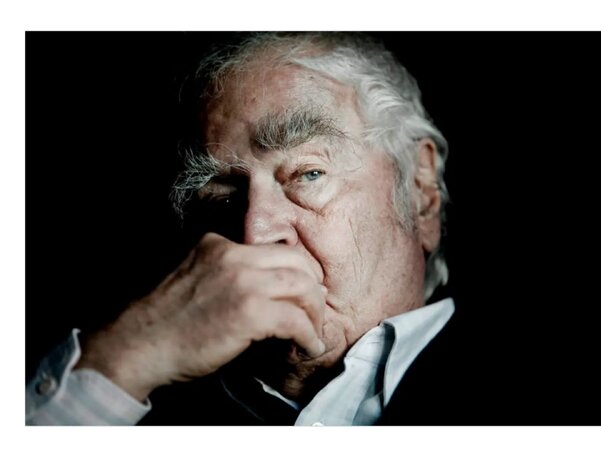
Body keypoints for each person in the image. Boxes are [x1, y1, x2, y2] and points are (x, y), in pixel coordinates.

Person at [26, 32, 456, 425]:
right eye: (223, 197)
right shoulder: (150, 402)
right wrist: (127, 358)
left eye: (308, 174)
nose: (255, 234)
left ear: (421, 193)